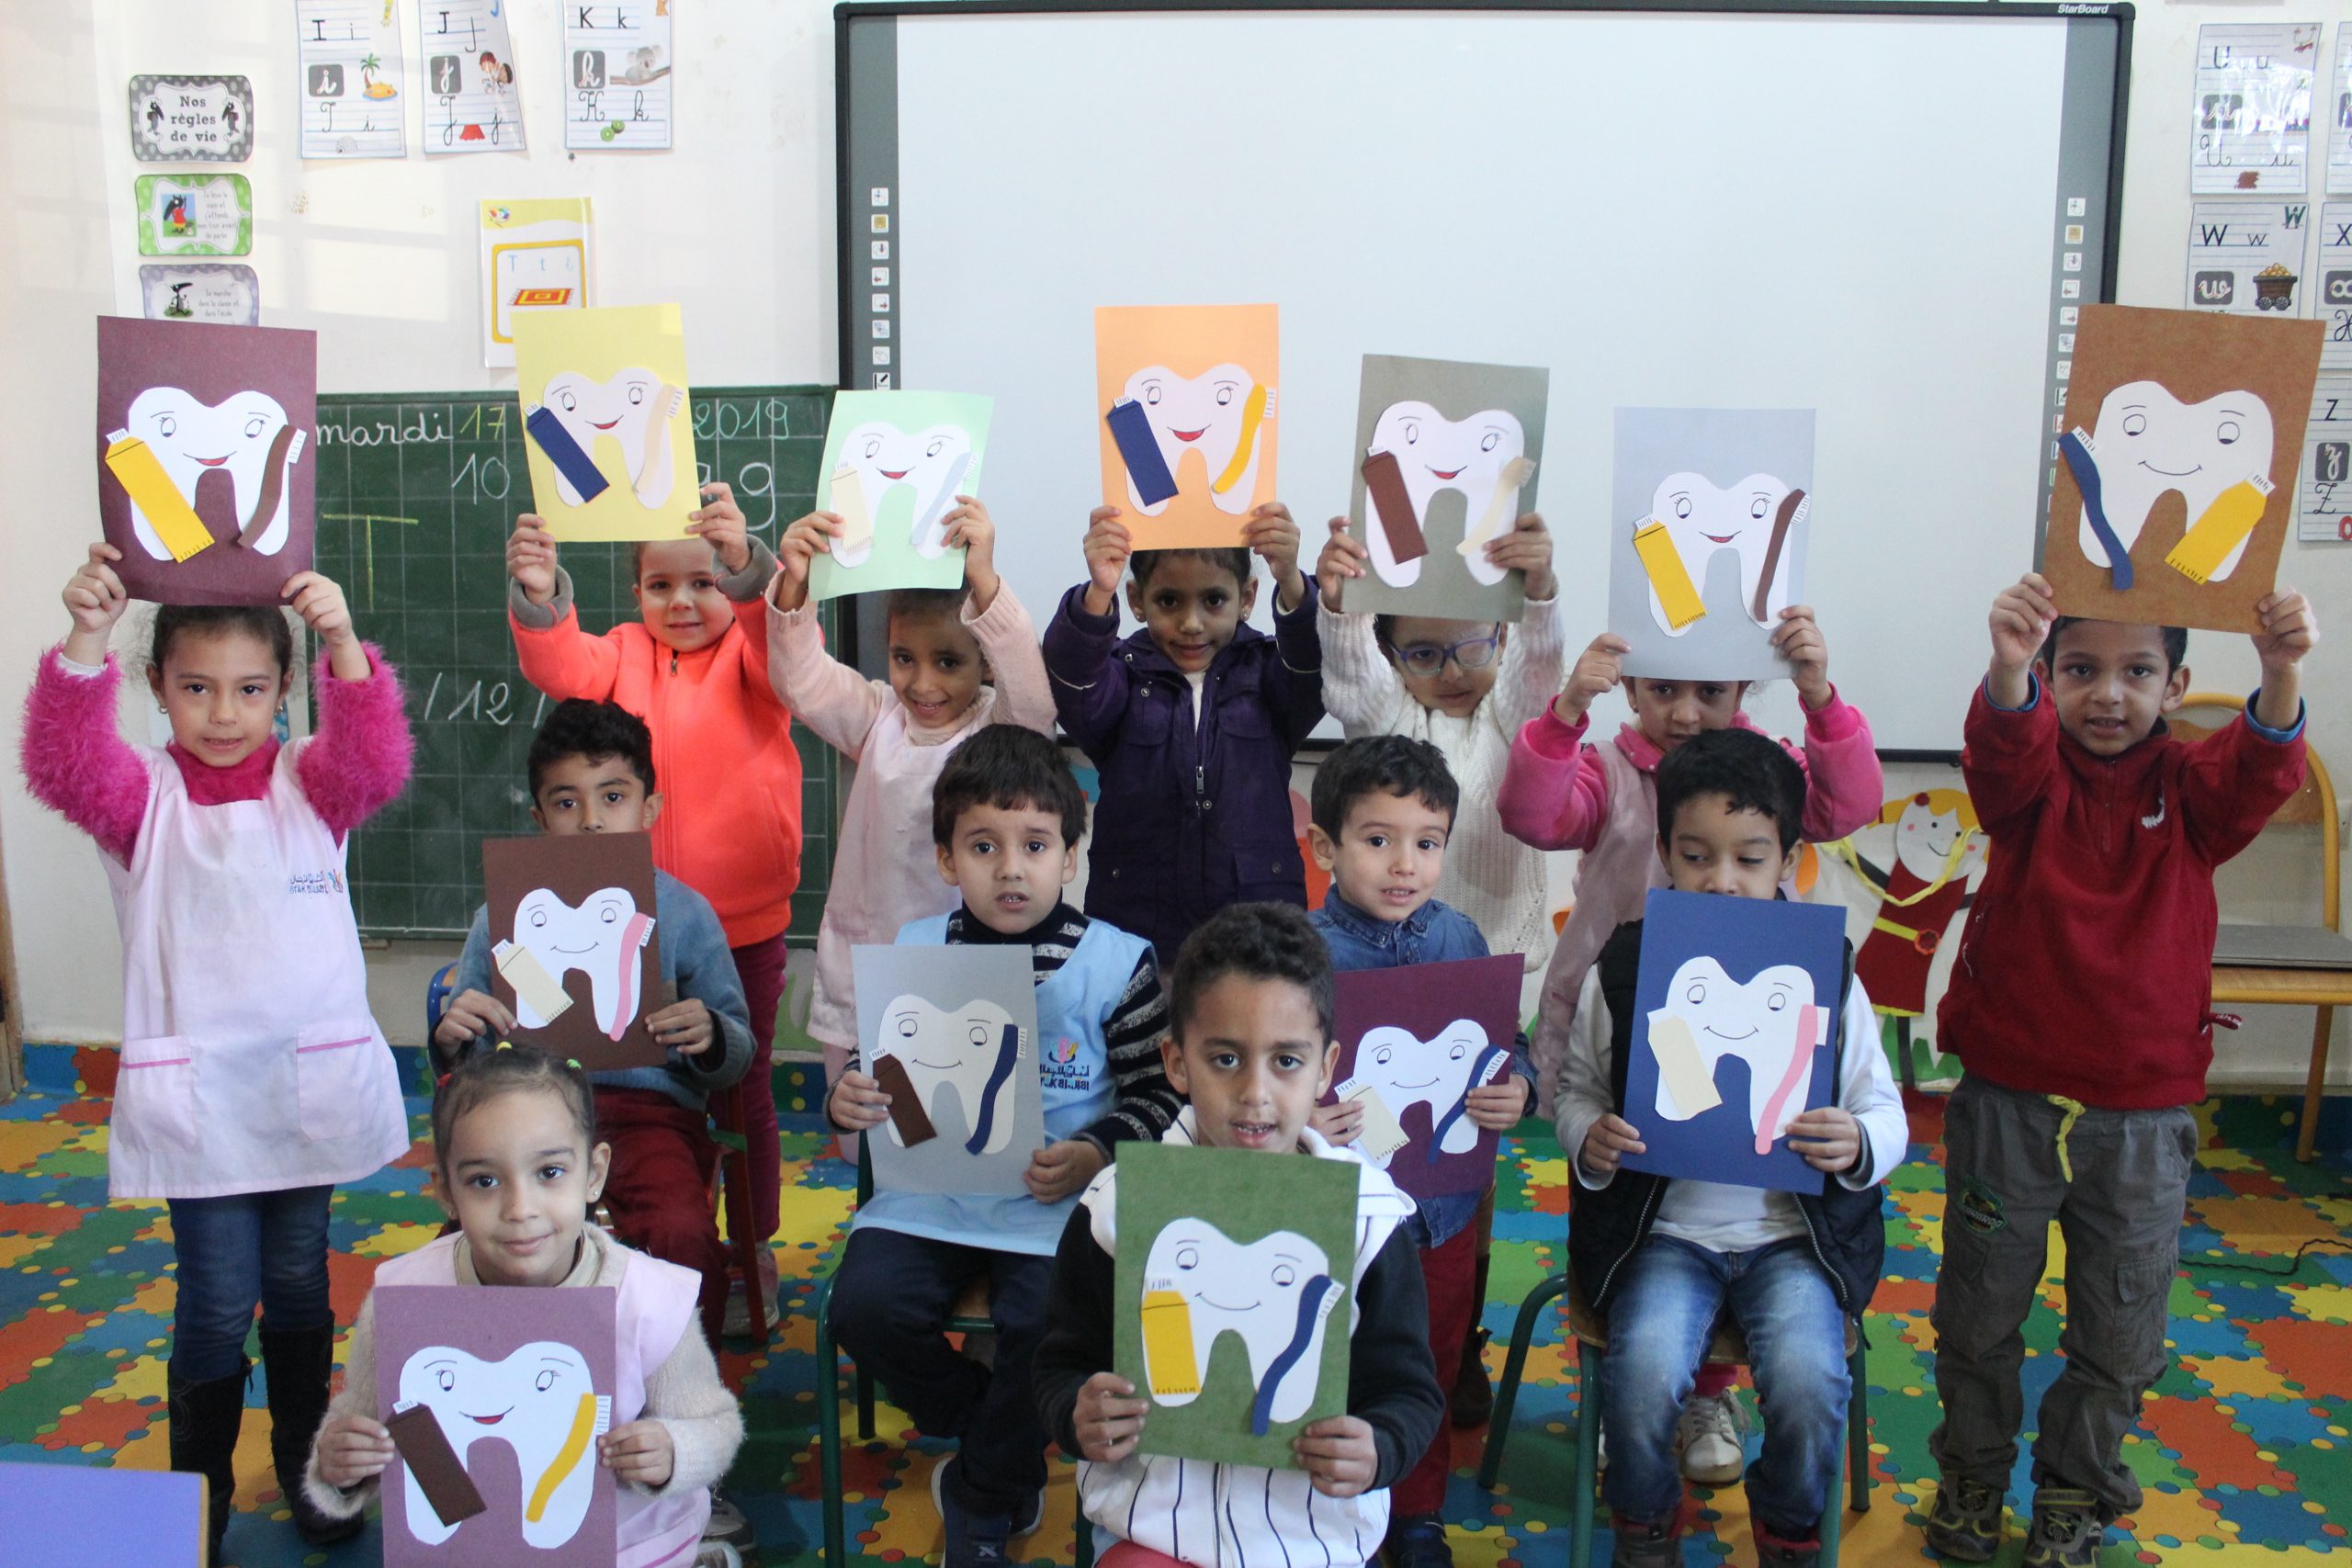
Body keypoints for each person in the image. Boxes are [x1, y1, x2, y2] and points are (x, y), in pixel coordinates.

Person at [21, 546, 413, 1555]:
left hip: (304, 1095)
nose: (225, 713)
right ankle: (193, 1496)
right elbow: (62, 765)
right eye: (196, 689)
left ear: (286, 690)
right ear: (157, 688)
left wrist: (340, 645)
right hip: (203, 1110)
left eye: (249, 689)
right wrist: (87, 638)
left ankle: (300, 1455)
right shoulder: (139, 799)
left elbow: (376, 761)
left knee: (295, 1286)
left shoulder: (312, 784)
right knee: (209, 1306)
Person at [1923, 577, 2315, 1568]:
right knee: (1978, 1316)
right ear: (2052, 679)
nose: (2108, 694)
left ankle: (2073, 1493)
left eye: (2136, 672)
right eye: (2080, 670)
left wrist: (2279, 672)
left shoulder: (2190, 791)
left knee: (2119, 1335)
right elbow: (2000, 749)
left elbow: (2260, 772)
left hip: (2140, 1123)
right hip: (2010, 1102)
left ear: (2175, 684)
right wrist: (2009, 665)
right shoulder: (2028, 783)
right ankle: (1970, 1475)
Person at [1497, 611, 1883, 1484]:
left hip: (1760, 1101)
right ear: (1630, 688)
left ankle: (1706, 1392)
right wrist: (1565, 712)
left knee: (1731, 1187)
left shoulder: (1766, 778)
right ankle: (1637, 1394)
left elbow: (1851, 802)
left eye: (1710, 690)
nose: (1685, 710)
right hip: (1619, 1012)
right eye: (1662, 688)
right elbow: (1529, 808)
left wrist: (1820, 696)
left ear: (1744, 691)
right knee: (1636, 1198)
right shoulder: (1609, 774)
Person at [823, 726, 1182, 1568]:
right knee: (861, 1307)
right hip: (929, 1196)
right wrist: (852, 1101)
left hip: (1055, 1207)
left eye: (1034, 845)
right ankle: (990, 1419)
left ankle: (983, 1498)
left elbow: (1160, 1100)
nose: (1010, 868)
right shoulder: (915, 953)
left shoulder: (1116, 963)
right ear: (948, 859)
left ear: (1070, 854)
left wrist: (1096, 1151)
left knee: (1046, 1321)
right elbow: (889, 1092)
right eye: (983, 846)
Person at [1558, 728, 1905, 1568]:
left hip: (1791, 1241)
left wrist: (1856, 1140)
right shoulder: (1630, 965)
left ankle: (1788, 1529)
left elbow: (1883, 1108)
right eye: (1696, 854)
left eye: (1750, 858)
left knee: (1812, 1382)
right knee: (1638, 1379)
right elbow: (1575, 1092)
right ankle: (1643, 1525)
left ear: (1788, 858)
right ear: (1666, 856)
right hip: (1666, 1237)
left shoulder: (1826, 969)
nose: (1722, 878)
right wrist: (1589, 1140)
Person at [1034, 901, 1446, 1568]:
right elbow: (1060, 1360)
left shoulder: (1368, 1216)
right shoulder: (1118, 1207)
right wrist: (1076, 1414)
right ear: (1175, 1062)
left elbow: (1409, 1388)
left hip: (1312, 1539)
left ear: (1326, 1066)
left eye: (1287, 1061)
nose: (1255, 1091)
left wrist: (1378, 1445)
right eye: (1225, 1058)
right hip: (1153, 1526)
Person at [504, 485, 800, 1328]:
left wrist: (748, 569)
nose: (682, 602)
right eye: (660, 585)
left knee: (743, 1091)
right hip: (618, 924)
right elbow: (557, 665)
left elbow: (783, 651)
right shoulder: (619, 656)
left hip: (740, 924)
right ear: (633, 595)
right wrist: (540, 593)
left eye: (703, 582)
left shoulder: (753, 656)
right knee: (636, 1092)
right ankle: (632, 1232)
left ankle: (753, 1247)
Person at [1313, 511, 1566, 1428]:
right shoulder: (1394, 722)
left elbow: (1539, 669)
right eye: (1421, 653)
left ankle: (1452, 1350)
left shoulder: (1516, 717)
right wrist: (1340, 611)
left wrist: (1538, 595)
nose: (1450, 667)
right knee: (1375, 1153)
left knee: (1463, 1172)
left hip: (1484, 975)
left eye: (1471, 645)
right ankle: (1376, 1334)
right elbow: (1352, 679)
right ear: (1393, 660)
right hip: (1375, 986)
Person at [304, 1047, 747, 1568]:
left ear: (594, 1173)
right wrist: (341, 1468)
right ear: (446, 1191)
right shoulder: (407, 1302)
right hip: (469, 1550)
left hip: (628, 1548)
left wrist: (673, 1451)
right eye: (484, 1181)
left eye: (550, 1172)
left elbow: (716, 1426)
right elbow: (363, 1429)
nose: (520, 1209)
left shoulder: (644, 1301)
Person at [433, 698, 753, 1349]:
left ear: (649, 809)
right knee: (454, 1252)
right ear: (538, 816)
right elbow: (462, 1052)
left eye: (612, 796)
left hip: (648, 1117)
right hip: (524, 1116)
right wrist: (456, 1032)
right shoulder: (503, 915)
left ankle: (679, 1378)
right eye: (566, 801)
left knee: (680, 1231)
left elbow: (739, 1047)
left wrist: (711, 1035)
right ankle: (499, 1375)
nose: (590, 820)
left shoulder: (684, 914)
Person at [1303, 736, 1534, 1568]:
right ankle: (1333, 1512)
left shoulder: (1462, 938)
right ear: (1326, 846)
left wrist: (1521, 1091)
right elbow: (1265, 1074)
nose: (1404, 864)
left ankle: (1417, 1511)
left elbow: (1510, 1051)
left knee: (1427, 1362)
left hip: (1439, 1215)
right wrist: (1301, 1120)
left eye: (1426, 842)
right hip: (1336, 1219)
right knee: (1331, 1356)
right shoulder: (1300, 954)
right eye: (1377, 839)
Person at [766, 496, 1054, 1119]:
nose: (923, 684)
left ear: (983, 659)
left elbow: (1034, 708)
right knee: (872, 1141)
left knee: (956, 1134)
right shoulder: (877, 719)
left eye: (948, 662)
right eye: (904, 659)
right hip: (864, 977)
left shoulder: (994, 730)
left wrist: (986, 585)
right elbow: (801, 682)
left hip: (961, 981)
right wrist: (796, 586)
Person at [1043, 502, 1325, 961]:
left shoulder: (1268, 673)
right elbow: (1073, 681)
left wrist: (1292, 579)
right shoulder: (1121, 674)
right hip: (1139, 929)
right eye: (1168, 601)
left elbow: (1313, 664)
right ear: (1137, 600)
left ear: (1248, 597)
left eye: (1213, 600)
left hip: (1258, 927)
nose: (1191, 624)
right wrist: (1098, 591)